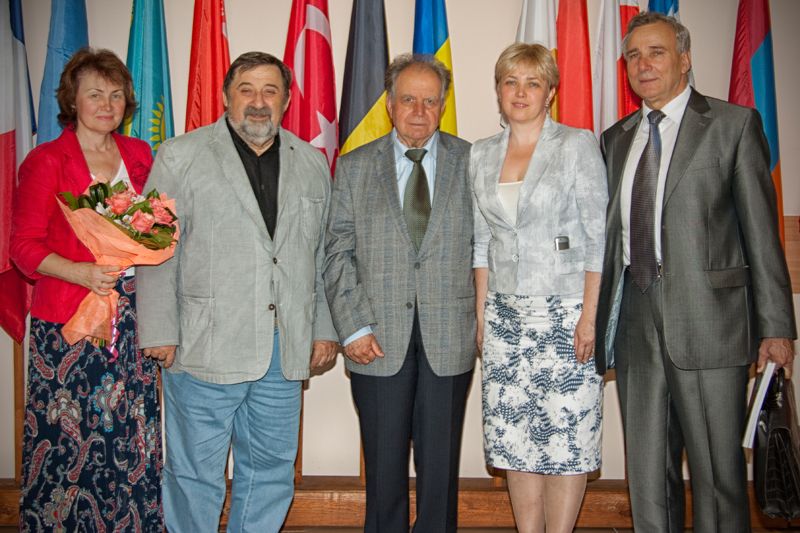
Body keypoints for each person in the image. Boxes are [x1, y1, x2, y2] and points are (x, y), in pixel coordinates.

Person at [594, 11, 796, 532]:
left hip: (712, 323)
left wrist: (776, 327)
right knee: (647, 476)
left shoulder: (732, 125)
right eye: (633, 55)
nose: (643, 64)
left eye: (656, 52)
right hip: (635, 321)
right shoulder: (615, 139)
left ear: (684, 59)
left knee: (717, 477)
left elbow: (762, 233)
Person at [135, 52, 338, 533]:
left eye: (270, 91)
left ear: (286, 101)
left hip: (283, 347)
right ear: (227, 96)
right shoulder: (180, 156)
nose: (258, 101)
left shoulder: (312, 162)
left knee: (271, 470)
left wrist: (323, 328)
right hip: (203, 344)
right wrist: (159, 330)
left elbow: (320, 255)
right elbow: (154, 246)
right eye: (246, 89)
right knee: (194, 473)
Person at [10, 48, 163, 531]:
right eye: (95, 94)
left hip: (133, 317)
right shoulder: (45, 160)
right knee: (68, 439)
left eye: (116, 95)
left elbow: (156, 227)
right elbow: (22, 247)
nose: (107, 104)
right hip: (69, 325)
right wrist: (80, 272)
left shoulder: (140, 155)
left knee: (128, 431)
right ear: (72, 100)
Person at [324, 53, 475, 533]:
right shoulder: (354, 167)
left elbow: (489, 248)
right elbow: (336, 252)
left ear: (443, 105)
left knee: (440, 469)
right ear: (389, 105)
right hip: (375, 339)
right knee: (383, 464)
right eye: (408, 99)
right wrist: (353, 328)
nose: (419, 111)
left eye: (430, 101)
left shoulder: (473, 162)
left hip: (450, 336)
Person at [470, 43, 608, 533]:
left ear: (550, 92)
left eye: (532, 82)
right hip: (505, 317)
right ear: (499, 90)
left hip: (567, 316)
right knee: (515, 438)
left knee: (566, 437)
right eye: (511, 82)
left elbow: (598, 238)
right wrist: (483, 316)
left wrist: (590, 317)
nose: (520, 92)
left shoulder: (576, 144)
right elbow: (481, 242)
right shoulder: (481, 153)